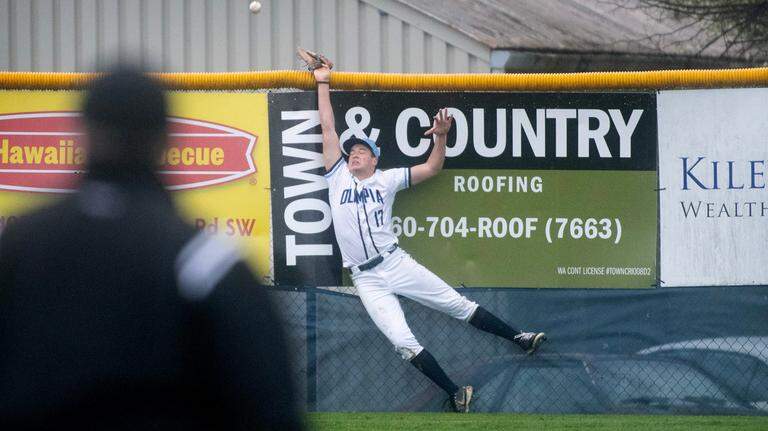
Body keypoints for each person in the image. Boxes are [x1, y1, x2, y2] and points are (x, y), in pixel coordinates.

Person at [0, 66, 302, 430]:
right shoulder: (206, 263)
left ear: (84, 134)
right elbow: (271, 409)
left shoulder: (17, 249)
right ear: (165, 140)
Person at [307, 53, 547, 413]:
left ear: (375, 160)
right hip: (366, 279)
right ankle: (456, 393)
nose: (355, 154)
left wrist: (441, 137)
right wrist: (323, 81)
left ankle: (520, 337)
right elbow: (328, 128)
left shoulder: (386, 180)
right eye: (352, 151)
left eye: (363, 151)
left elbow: (433, 167)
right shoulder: (336, 175)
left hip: (395, 263)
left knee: (456, 304)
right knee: (403, 343)